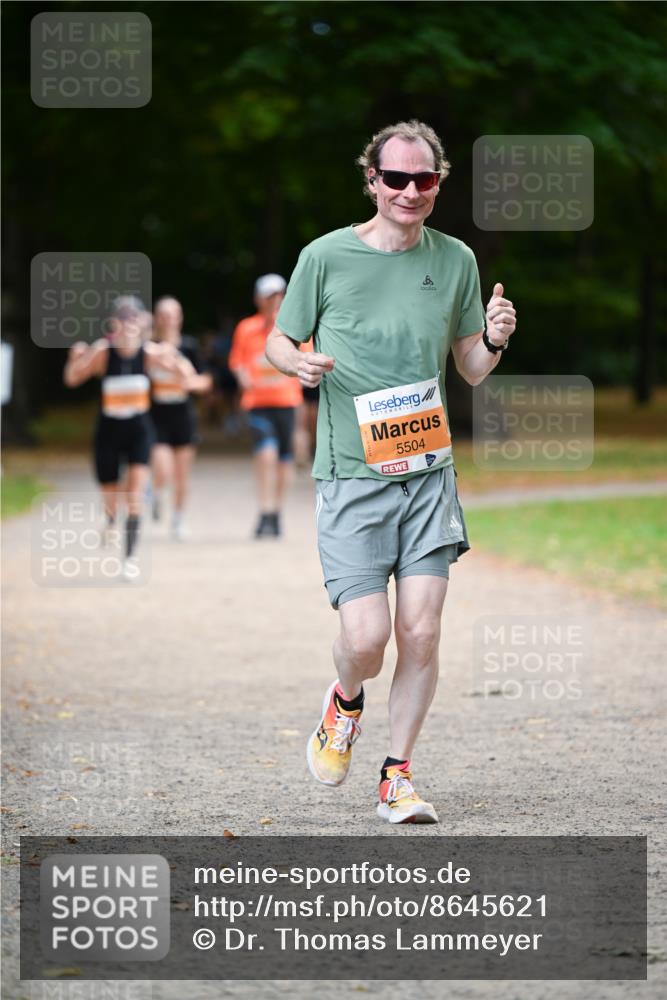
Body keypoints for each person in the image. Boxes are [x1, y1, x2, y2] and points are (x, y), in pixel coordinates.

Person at [266, 120, 517, 824]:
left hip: (428, 472)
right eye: (395, 178)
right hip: (352, 473)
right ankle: (344, 702)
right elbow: (276, 341)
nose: (410, 191)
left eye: (424, 179)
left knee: (423, 631)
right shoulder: (326, 256)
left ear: (438, 182)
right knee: (366, 638)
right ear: (371, 180)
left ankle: (396, 774)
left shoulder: (456, 259)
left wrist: (494, 337)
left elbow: (469, 367)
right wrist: (298, 362)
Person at [63, 296, 193, 578]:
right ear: (113, 323)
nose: (128, 324)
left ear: (142, 322)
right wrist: (75, 359)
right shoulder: (103, 351)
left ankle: (130, 557)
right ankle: (110, 520)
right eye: (122, 318)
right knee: (111, 496)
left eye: (133, 318)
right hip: (108, 432)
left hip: (139, 432)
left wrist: (177, 364)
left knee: (134, 494)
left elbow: (185, 373)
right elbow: (72, 379)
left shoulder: (148, 352)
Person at [229, 274, 303, 538]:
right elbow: (237, 361)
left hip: (287, 402)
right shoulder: (246, 328)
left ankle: (276, 513)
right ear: (258, 299)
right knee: (265, 454)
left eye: (280, 295)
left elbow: (306, 357)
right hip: (258, 403)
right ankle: (263, 508)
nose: (276, 301)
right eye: (270, 296)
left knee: (284, 461)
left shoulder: (297, 328)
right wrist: (242, 376)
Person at [150, 297, 212, 540]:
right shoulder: (148, 348)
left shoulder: (189, 347)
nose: (168, 319)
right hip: (156, 416)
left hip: (183, 415)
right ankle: (156, 492)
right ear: (157, 318)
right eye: (163, 314)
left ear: (180, 318)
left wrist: (190, 382)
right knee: (163, 469)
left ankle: (177, 519)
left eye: (173, 314)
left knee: (181, 474)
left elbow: (206, 381)